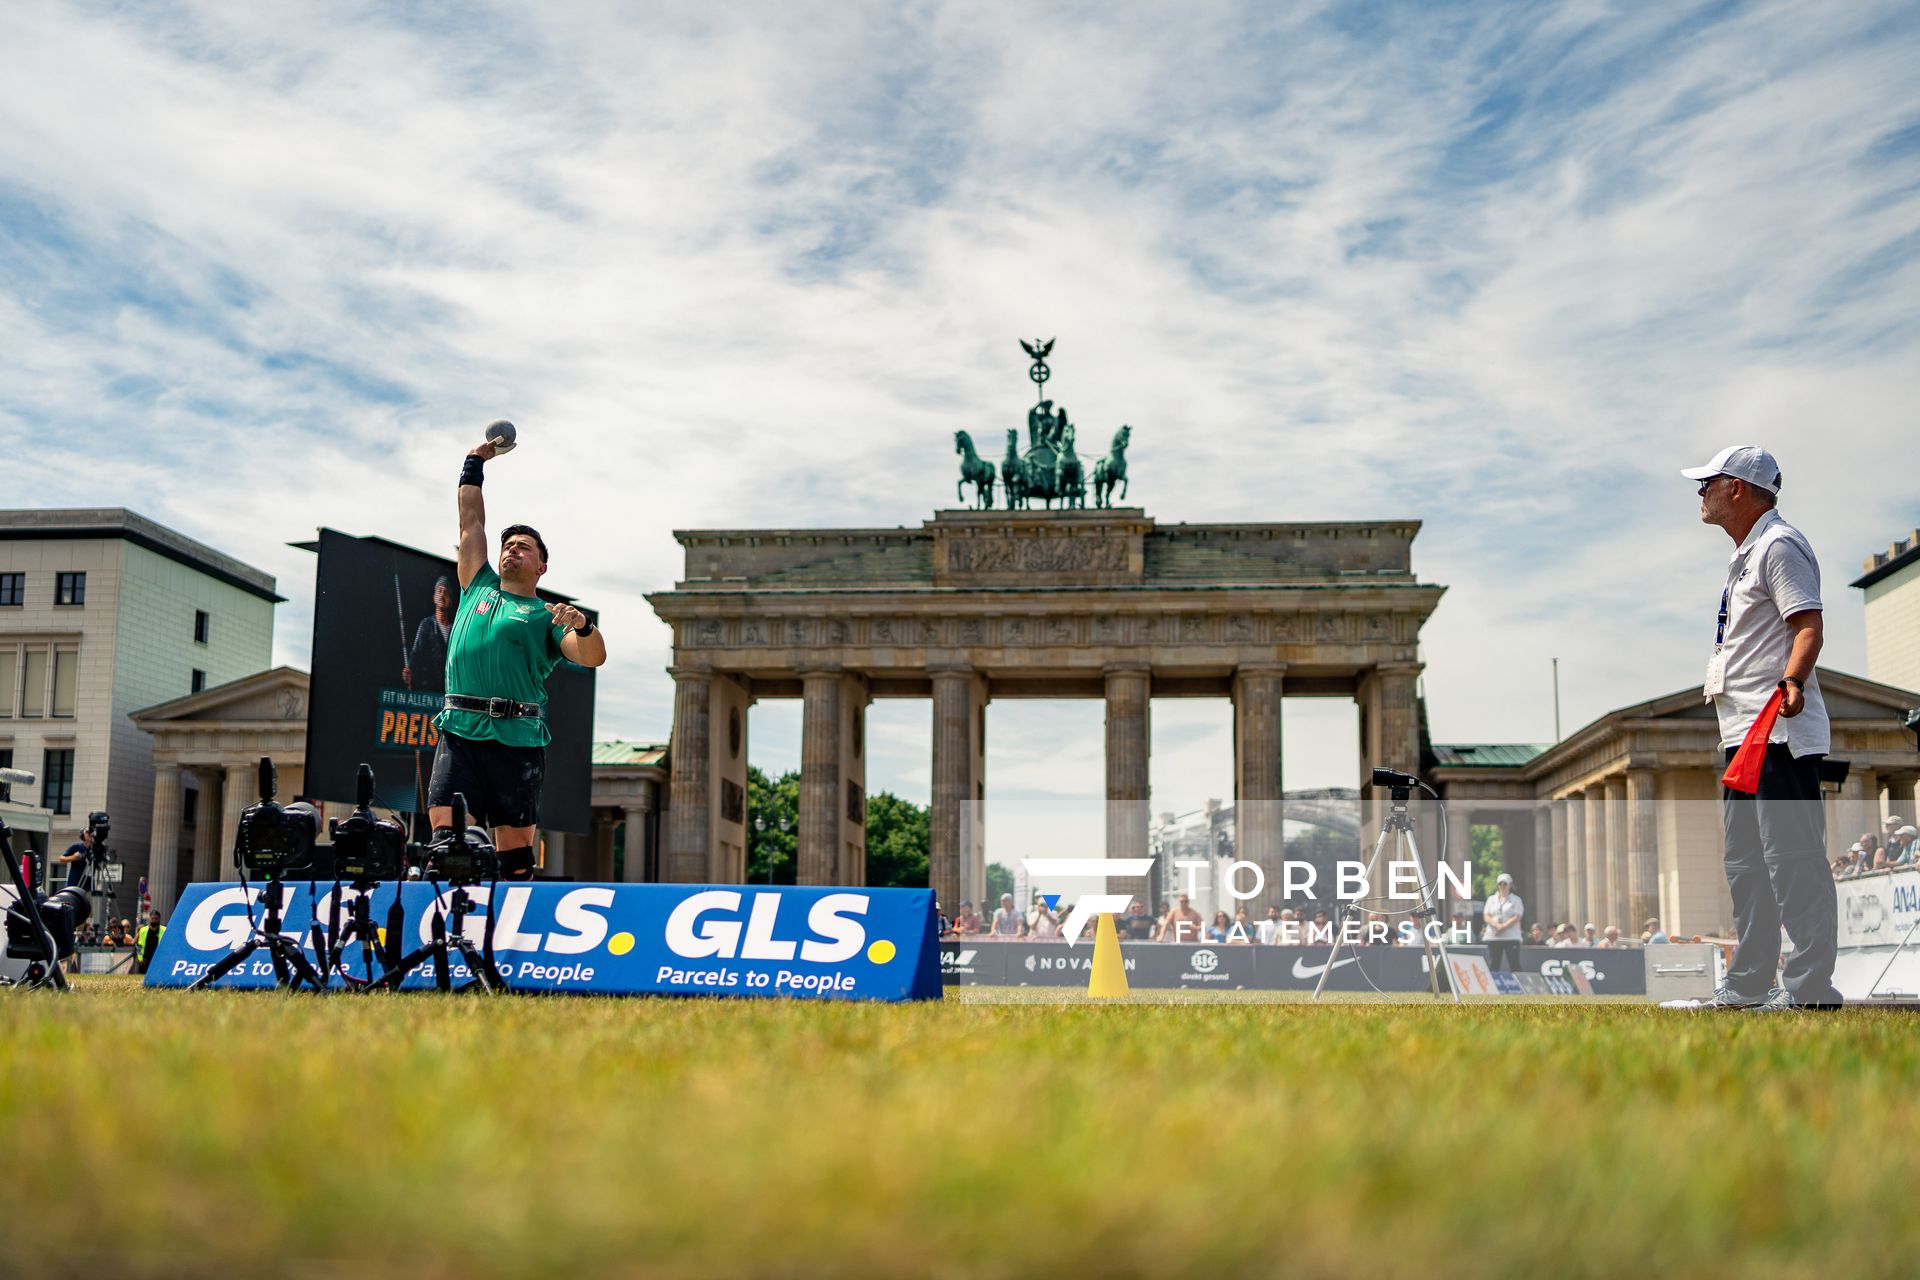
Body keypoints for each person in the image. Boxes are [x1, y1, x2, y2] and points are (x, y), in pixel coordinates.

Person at [1666, 445, 1843, 1011]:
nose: (1701, 493)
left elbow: (1808, 625)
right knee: (1745, 866)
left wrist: (1792, 682)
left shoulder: (1779, 545)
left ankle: (1810, 990)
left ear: (1738, 489)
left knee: (1792, 861)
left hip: (1779, 734)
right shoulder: (1747, 554)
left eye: (1708, 483)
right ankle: (1747, 989)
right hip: (1743, 735)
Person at [429, 435, 608, 878]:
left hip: (517, 738)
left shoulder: (547, 616)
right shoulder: (477, 585)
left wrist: (583, 626)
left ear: (542, 566)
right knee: (447, 847)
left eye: (524, 546)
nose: (511, 549)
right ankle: (445, 937)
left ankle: (509, 941)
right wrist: (474, 462)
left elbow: (592, 657)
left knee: (514, 861)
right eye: (509, 544)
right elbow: (470, 521)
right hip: (460, 731)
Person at [403, 575, 457, 692]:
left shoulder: (456, 629)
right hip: (428, 690)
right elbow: (416, 653)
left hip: (448, 691)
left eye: (446, 592)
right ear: (434, 597)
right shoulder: (426, 624)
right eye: (439, 591)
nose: (442, 595)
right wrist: (409, 670)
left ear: (451, 601)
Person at [1482, 872, 1524, 972]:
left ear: (1510, 885)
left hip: (1511, 937)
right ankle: (1493, 986)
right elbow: (1486, 915)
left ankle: (1518, 986)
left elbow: (1517, 916)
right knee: (1493, 965)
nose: (1502, 886)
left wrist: (1503, 927)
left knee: (1514, 964)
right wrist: (1496, 925)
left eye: (1505, 884)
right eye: (1500, 884)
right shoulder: (1491, 899)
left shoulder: (1516, 900)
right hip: (1494, 936)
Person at [133, 911, 165, 975]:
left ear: (159, 919)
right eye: (152, 918)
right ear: (150, 918)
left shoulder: (164, 930)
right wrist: (139, 958)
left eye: (156, 918)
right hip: (144, 960)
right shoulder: (143, 930)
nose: (154, 920)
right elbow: (136, 944)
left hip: (158, 959)